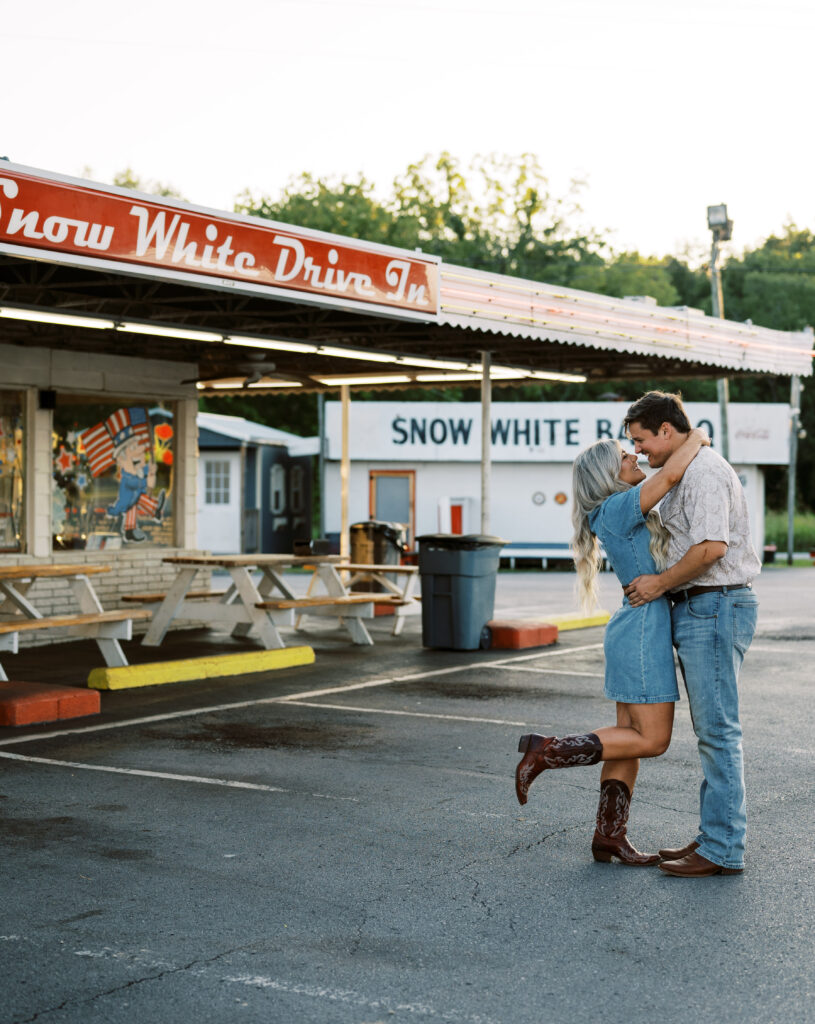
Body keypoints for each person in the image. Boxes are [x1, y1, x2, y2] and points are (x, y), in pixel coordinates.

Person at [515, 426, 710, 866]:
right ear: (610, 475)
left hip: (636, 627)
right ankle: (547, 751)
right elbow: (671, 476)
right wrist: (695, 438)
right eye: (626, 456)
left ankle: (609, 836)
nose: (635, 459)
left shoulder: (615, 511)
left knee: (628, 740)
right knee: (653, 740)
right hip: (642, 630)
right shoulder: (617, 508)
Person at [623, 391, 760, 878]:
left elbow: (711, 549)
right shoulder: (688, 466)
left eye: (641, 440)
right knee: (712, 733)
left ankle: (723, 849)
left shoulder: (702, 473)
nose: (638, 451)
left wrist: (658, 584)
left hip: (716, 605)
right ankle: (714, 836)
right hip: (702, 606)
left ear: (665, 430)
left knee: (718, 732)